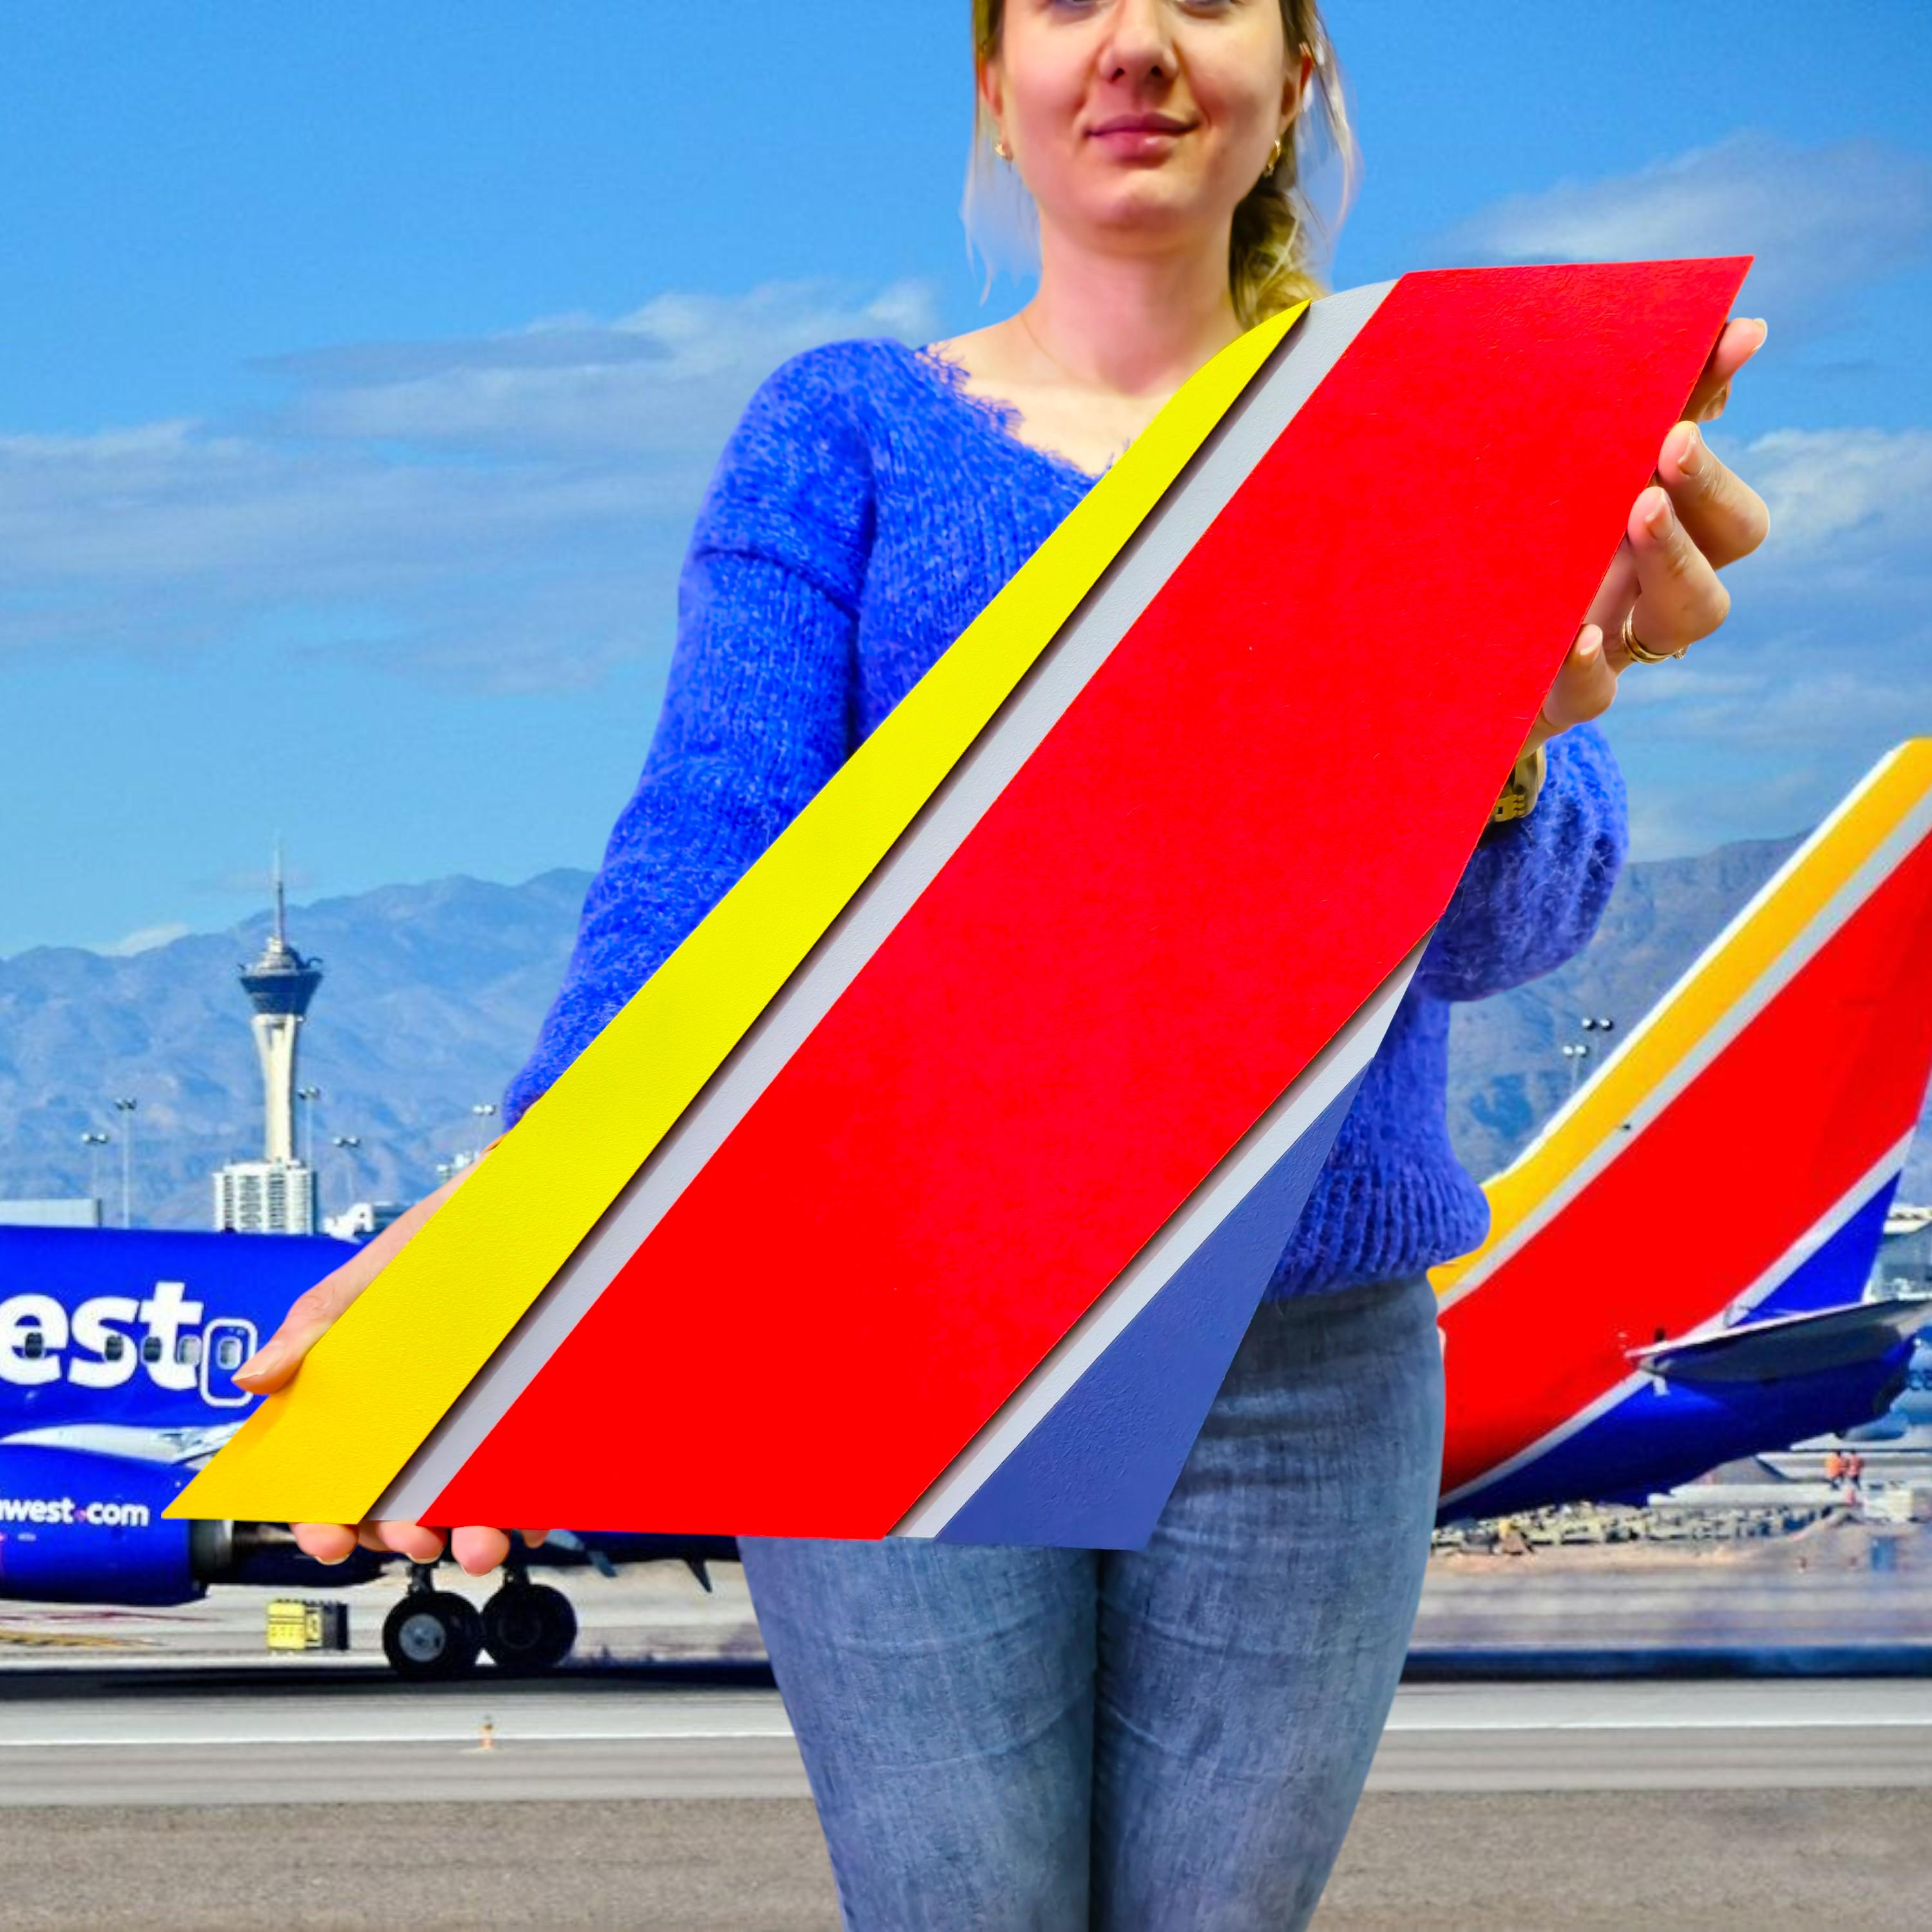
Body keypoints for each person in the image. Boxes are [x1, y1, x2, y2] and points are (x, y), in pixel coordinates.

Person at [236, 3, 1769, 1922]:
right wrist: (516, 1241)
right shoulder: (847, 434)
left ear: (1300, 70)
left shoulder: (1422, 429)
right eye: (1064, 1)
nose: (1134, 45)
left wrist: (1505, 740)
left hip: (1301, 1365)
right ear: (989, 73)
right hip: (882, 1340)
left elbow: (1508, 937)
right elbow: (691, 876)